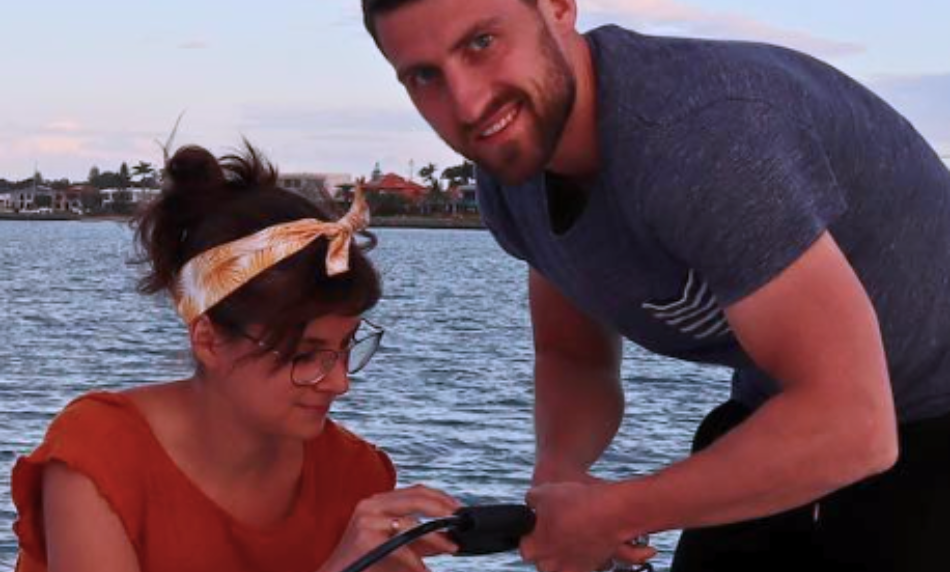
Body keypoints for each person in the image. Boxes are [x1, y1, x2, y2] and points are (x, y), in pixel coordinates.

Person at [361, 0, 950, 571]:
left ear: (559, 8)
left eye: (482, 43)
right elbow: (573, 357)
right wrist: (559, 479)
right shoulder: (513, 169)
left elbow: (854, 426)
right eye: (423, 76)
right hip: (781, 403)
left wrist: (614, 513)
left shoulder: (702, 137)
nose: (467, 102)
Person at [11, 143, 460, 572]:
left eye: (347, 347)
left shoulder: (355, 475)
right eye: (305, 355)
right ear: (208, 340)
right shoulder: (101, 456)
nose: (339, 382)